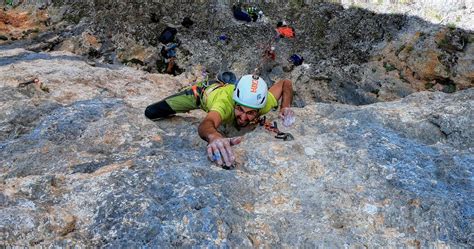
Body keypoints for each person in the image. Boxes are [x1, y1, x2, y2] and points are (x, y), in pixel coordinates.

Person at [144, 73, 295, 167]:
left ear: (259, 109)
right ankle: (220, 82)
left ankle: (228, 81)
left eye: (251, 113)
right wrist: (214, 136)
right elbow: (206, 124)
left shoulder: (265, 103)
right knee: (151, 112)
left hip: (228, 90)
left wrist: (285, 107)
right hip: (202, 94)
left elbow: (285, 83)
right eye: (240, 109)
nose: (243, 117)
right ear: (234, 103)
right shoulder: (223, 104)